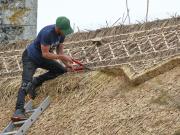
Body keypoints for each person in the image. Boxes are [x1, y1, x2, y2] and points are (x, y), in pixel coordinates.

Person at [11, 16, 74, 121]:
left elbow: (60, 52)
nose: (65, 33)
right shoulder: (47, 33)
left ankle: (35, 82)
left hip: (42, 58)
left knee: (61, 70)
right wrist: (63, 57)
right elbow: (45, 54)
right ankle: (18, 110)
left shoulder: (62, 35)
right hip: (30, 57)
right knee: (25, 84)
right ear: (58, 28)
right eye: (64, 30)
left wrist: (67, 64)